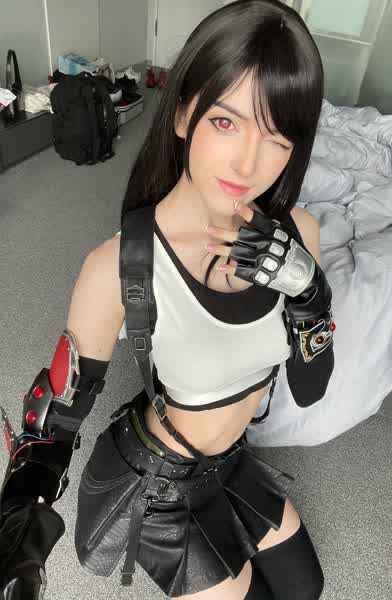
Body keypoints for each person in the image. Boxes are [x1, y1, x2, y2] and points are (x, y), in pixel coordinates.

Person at [0, 1, 335, 598]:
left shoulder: (300, 236)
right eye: (226, 122)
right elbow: (50, 426)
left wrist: (308, 291)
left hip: (231, 461)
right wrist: (14, 547)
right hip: (160, 485)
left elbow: (311, 389)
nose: (248, 163)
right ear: (182, 114)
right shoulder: (117, 268)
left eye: (276, 135)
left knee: (305, 587)